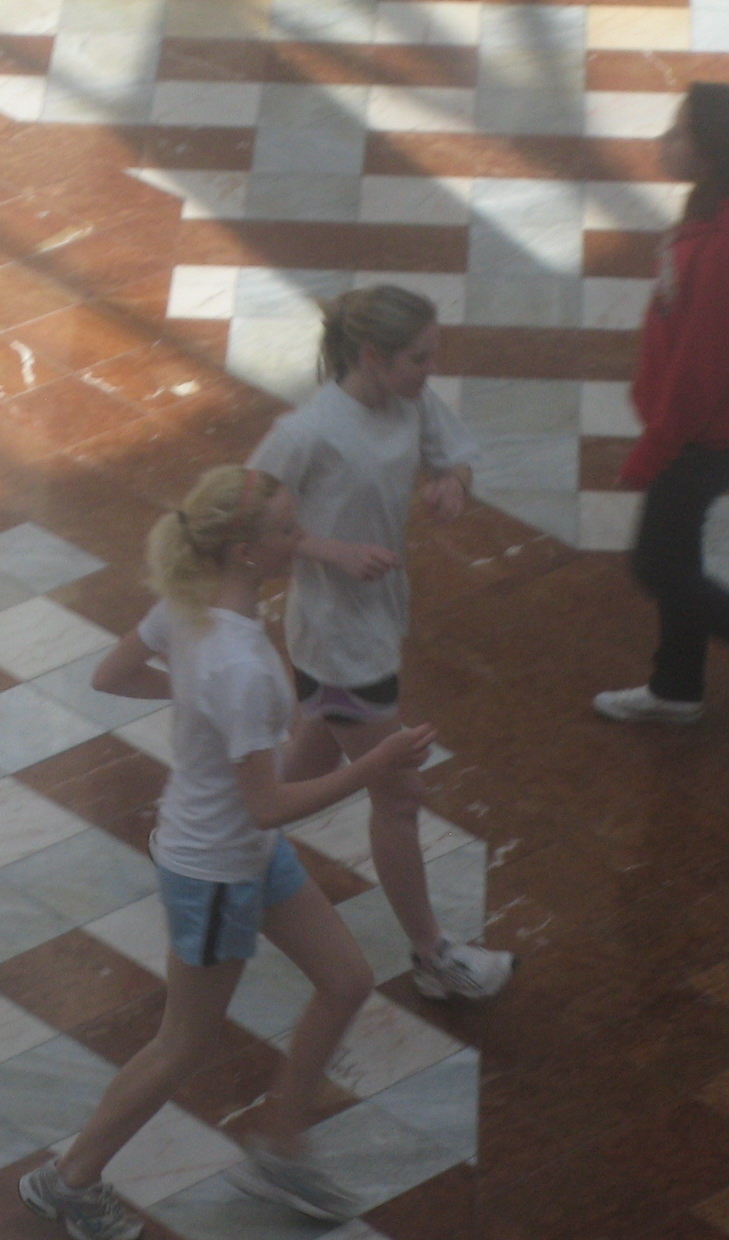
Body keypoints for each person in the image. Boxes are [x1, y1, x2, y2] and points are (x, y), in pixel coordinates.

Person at [19, 466, 437, 1240]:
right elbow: (268, 803)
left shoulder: (188, 607)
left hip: (239, 850)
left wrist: (189, 691)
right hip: (215, 869)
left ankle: (281, 1141)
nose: (299, 536)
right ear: (246, 551)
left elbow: (111, 675)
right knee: (183, 1044)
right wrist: (371, 768)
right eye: (287, 529)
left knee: (346, 980)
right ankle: (69, 1179)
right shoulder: (238, 666)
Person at [248, 285, 515, 1003]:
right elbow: (245, 518)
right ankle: (433, 955)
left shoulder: (410, 402)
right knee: (398, 794)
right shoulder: (308, 432)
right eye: (419, 358)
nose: (431, 370)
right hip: (336, 640)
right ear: (371, 355)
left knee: (303, 761)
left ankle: (228, 843)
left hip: (375, 620)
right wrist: (330, 550)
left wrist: (452, 484)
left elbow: (452, 452)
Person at [594, 82, 729, 729]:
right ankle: (677, 687)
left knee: (655, 564)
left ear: (711, 151)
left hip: (701, 436)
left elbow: (700, 369)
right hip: (705, 425)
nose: (664, 142)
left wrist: (653, 449)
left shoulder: (725, 246)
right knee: (677, 560)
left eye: (678, 132)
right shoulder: (722, 209)